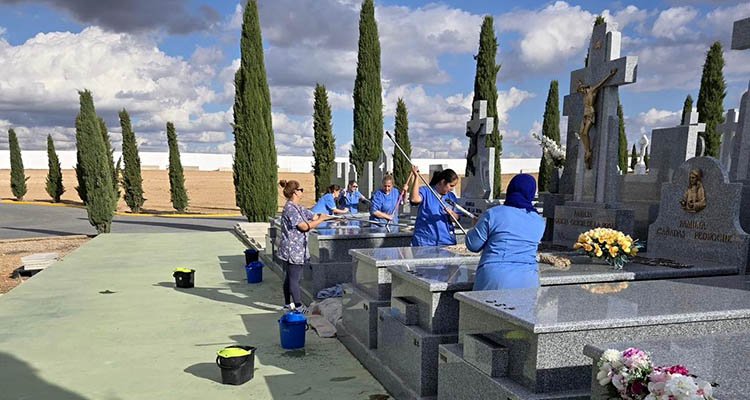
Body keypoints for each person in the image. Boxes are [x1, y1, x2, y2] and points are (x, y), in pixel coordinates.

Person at [467, 174, 546, 291]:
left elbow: (473, 245)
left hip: (496, 277)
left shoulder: (493, 214)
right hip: (528, 279)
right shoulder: (539, 221)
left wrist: (474, 227)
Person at [277, 180, 333, 312]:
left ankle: (287, 303)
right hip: (293, 249)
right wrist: (320, 220)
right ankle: (298, 306)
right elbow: (303, 227)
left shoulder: (298, 207)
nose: (302, 192)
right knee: (294, 278)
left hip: (298, 249)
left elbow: (313, 216)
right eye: (301, 189)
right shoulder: (290, 209)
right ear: (295, 192)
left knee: (290, 277)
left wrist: (330, 217)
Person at [409, 167, 460, 246]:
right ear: (443, 182)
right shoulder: (426, 191)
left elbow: (456, 218)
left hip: (446, 241)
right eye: (451, 185)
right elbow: (414, 199)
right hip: (425, 241)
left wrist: (452, 214)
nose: (452, 189)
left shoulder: (451, 197)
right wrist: (416, 178)